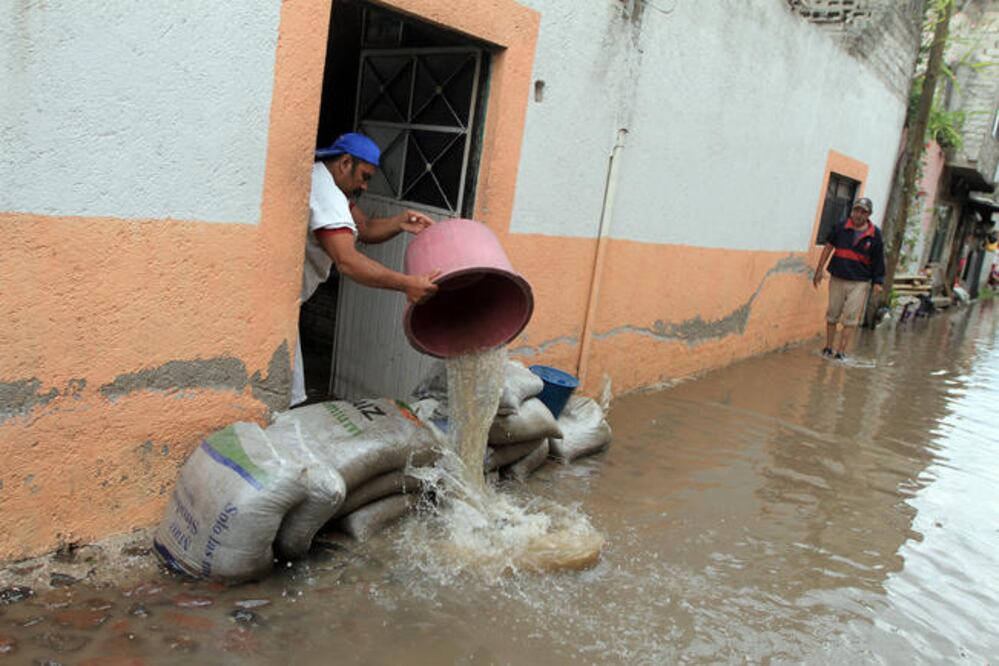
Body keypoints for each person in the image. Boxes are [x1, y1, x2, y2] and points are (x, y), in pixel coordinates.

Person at [292, 133, 440, 406]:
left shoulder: (327, 183)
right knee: (284, 400)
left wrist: (400, 222)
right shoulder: (326, 193)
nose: (364, 185)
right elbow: (348, 261)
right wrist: (406, 283)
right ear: (345, 162)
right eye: (364, 176)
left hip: (284, 304)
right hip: (277, 307)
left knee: (286, 395)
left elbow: (366, 228)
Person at [812, 197, 885, 361]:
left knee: (850, 318)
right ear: (852, 211)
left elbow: (878, 259)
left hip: (859, 282)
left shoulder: (875, 235)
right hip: (837, 277)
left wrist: (878, 282)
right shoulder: (840, 228)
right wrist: (819, 269)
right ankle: (828, 347)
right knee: (832, 313)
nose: (858, 214)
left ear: (869, 214)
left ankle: (841, 352)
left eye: (863, 212)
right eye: (857, 210)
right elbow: (828, 247)